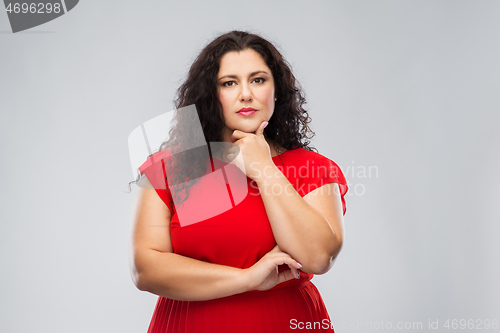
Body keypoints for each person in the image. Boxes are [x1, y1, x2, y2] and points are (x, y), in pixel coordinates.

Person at [129, 30, 349, 333]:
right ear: (210, 94)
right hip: (190, 323)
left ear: (276, 91)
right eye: (229, 83)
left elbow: (318, 257)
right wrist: (248, 279)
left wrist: (263, 168)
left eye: (258, 80)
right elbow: (145, 269)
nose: (246, 93)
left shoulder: (312, 169)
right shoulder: (168, 169)